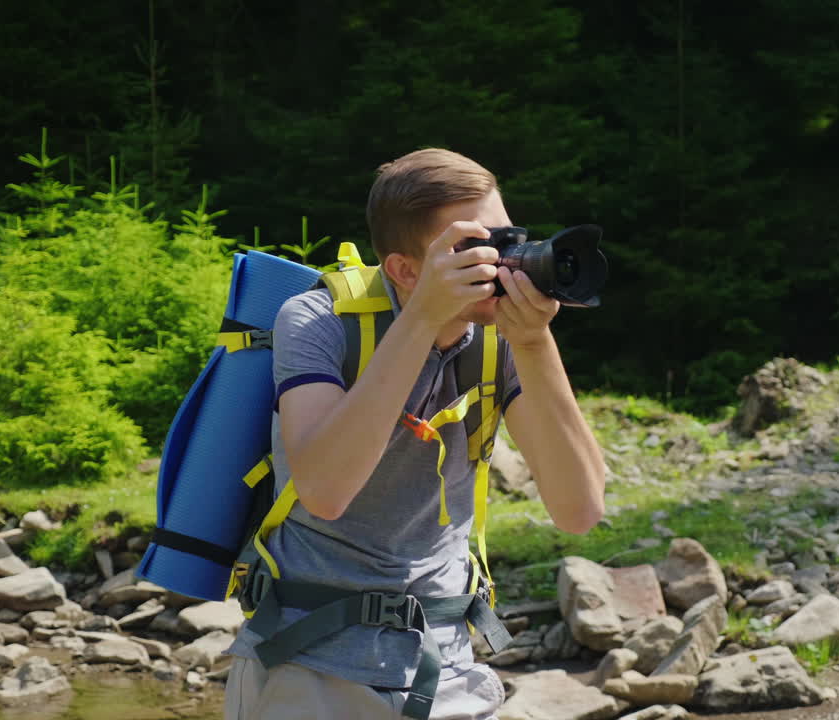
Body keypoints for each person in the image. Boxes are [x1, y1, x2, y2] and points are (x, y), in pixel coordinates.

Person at [223, 148, 606, 720]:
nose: (502, 264)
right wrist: (422, 319)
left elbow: (579, 509)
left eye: (507, 240)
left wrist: (533, 343)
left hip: (446, 663)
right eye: (474, 248)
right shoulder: (314, 321)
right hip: (307, 666)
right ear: (405, 269)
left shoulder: (501, 341)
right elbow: (325, 490)